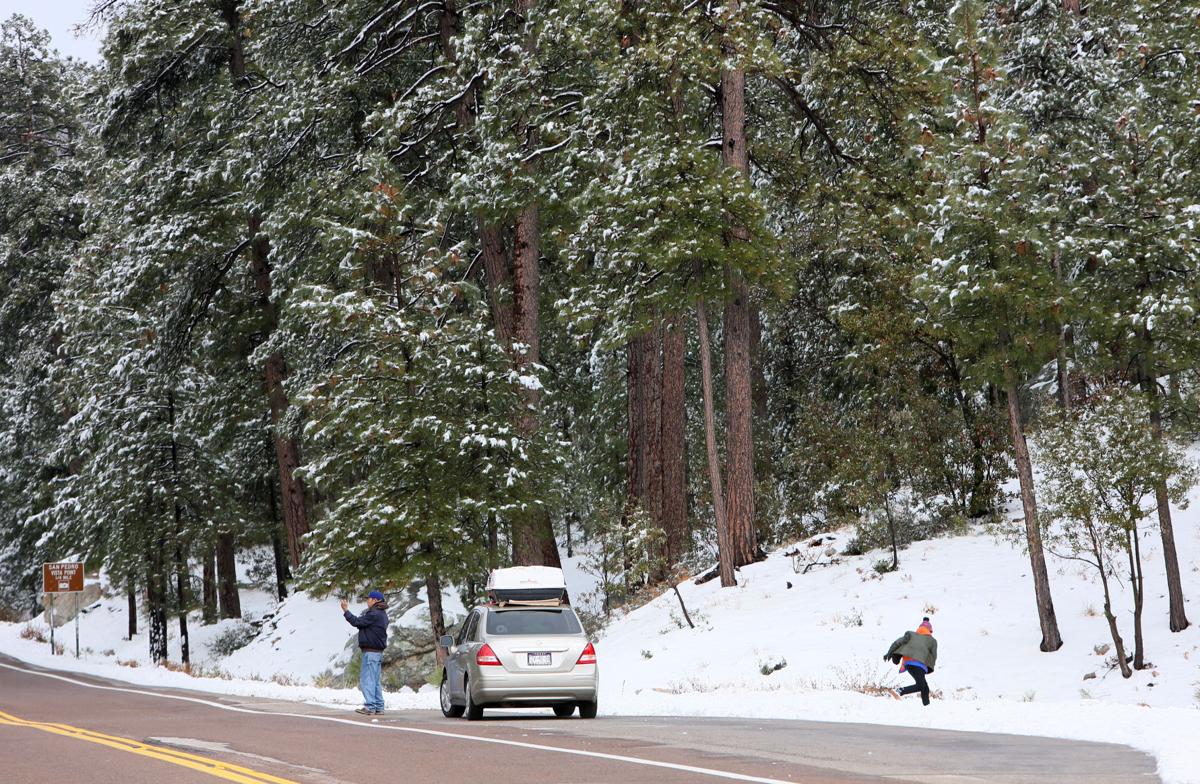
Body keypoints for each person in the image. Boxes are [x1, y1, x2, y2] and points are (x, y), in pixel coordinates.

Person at [341, 590, 389, 715]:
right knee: (375, 680)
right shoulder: (382, 613)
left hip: (371, 652)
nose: (367, 600)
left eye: (369, 598)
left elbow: (357, 622)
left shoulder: (374, 613)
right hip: (377, 652)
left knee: (367, 680)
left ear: (375, 600)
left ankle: (370, 707)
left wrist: (346, 611)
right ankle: (379, 706)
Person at [884, 616, 937, 706]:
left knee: (924, 687)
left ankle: (927, 706)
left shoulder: (911, 635)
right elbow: (933, 656)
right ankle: (899, 691)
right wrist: (929, 668)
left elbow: (897, 642)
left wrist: (889, 653)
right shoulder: (932, 640)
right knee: (920, 686)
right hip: (919, 664)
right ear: (930, 630)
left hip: (908, 663)